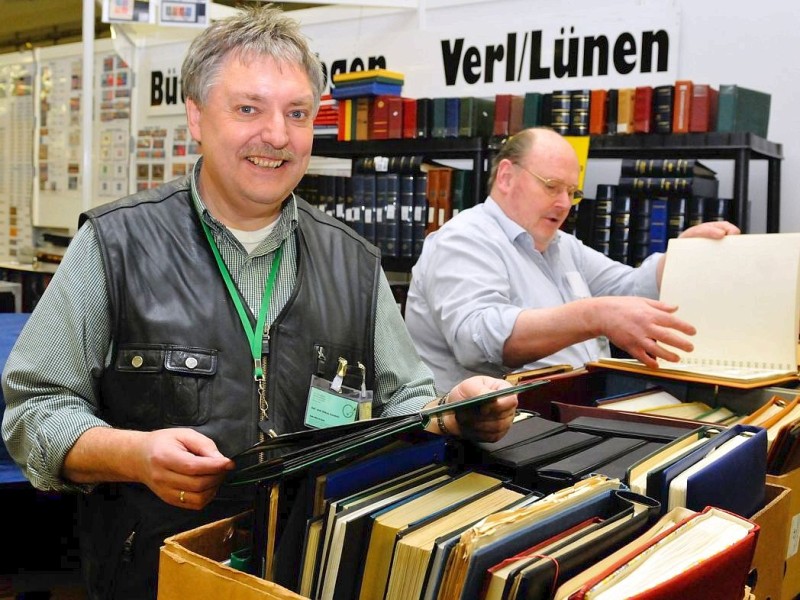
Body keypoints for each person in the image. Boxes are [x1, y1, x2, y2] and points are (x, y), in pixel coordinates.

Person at [0, 6, 517, 599]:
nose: (277, 134)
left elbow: (405, 400)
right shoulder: (116, 245)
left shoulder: (354, 262)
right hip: (158, 577)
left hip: (308, 573)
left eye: (297, 113)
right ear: (196, 116)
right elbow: (34, 411)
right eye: (249, 108)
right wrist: (134, 454)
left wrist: (453, 411)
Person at [405, 127, 740, 392]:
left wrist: (680, 257)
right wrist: (592, 316)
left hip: (570, 415)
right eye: (552, 187)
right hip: (488, 437)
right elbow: (477, 340)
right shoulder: (463, 239)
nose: (564, 203)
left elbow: (626, 288)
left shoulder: (562, 245)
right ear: (506, 176)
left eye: (572, 192)